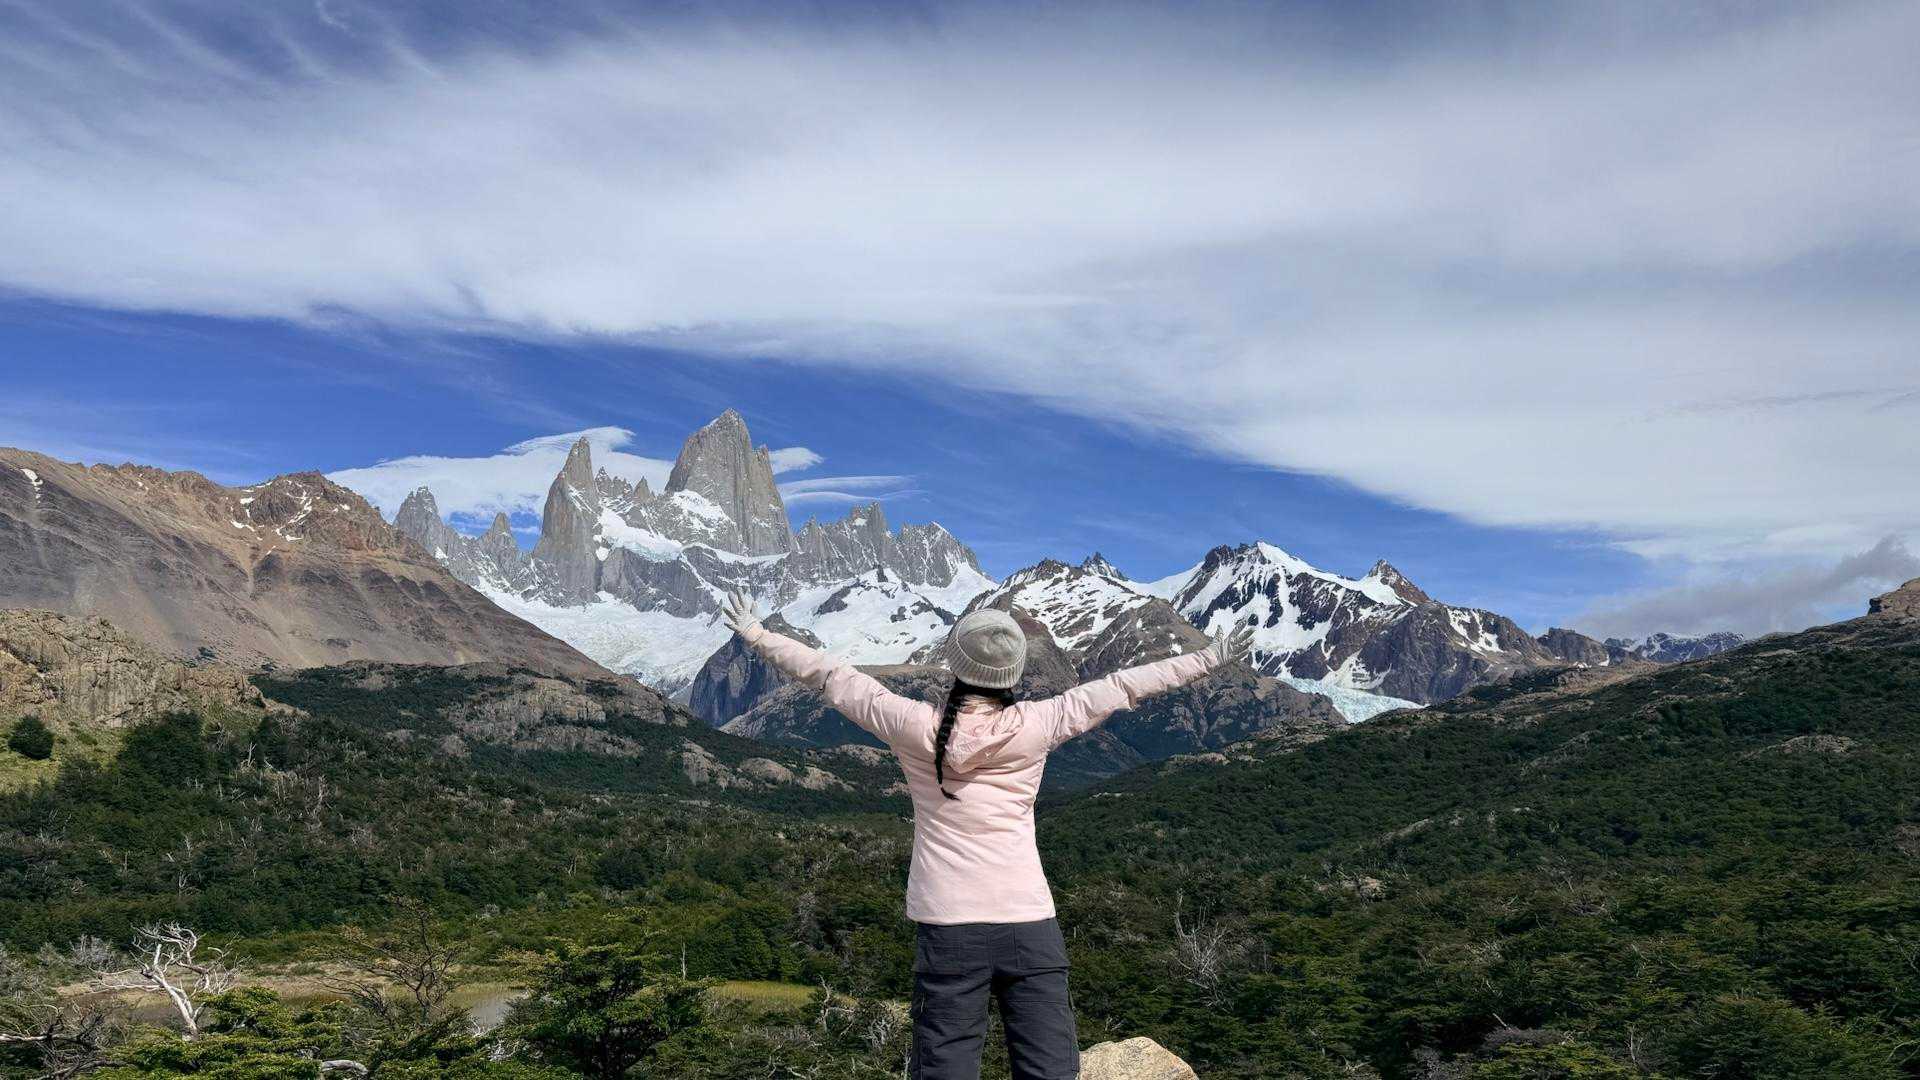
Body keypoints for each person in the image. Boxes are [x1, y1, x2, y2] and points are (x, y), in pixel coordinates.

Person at [720, 591, 1255, 1080]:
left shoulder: (913, 724)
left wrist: (757, 635)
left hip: (947, 925)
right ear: (1014, 672)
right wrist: (1212, 657)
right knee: (1048, 1066)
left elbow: (832, 678)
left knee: (945, 1063)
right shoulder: (1041, 722)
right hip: (1028, 921)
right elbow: (1123, 686)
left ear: (955, 663)